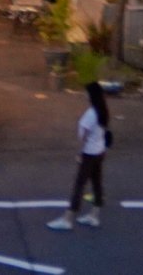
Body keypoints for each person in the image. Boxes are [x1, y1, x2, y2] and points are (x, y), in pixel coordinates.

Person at [47, 81, 110, 230]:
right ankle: (94, 215)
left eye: (87, 92)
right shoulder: (103, 111)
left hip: (88, 153)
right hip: (99, 151)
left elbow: (83, 136)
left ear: (91, 95)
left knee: (79, 185)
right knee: (97, 184)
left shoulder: (91, 113)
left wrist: (80, 153)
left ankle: (68, 218)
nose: (85, 94)